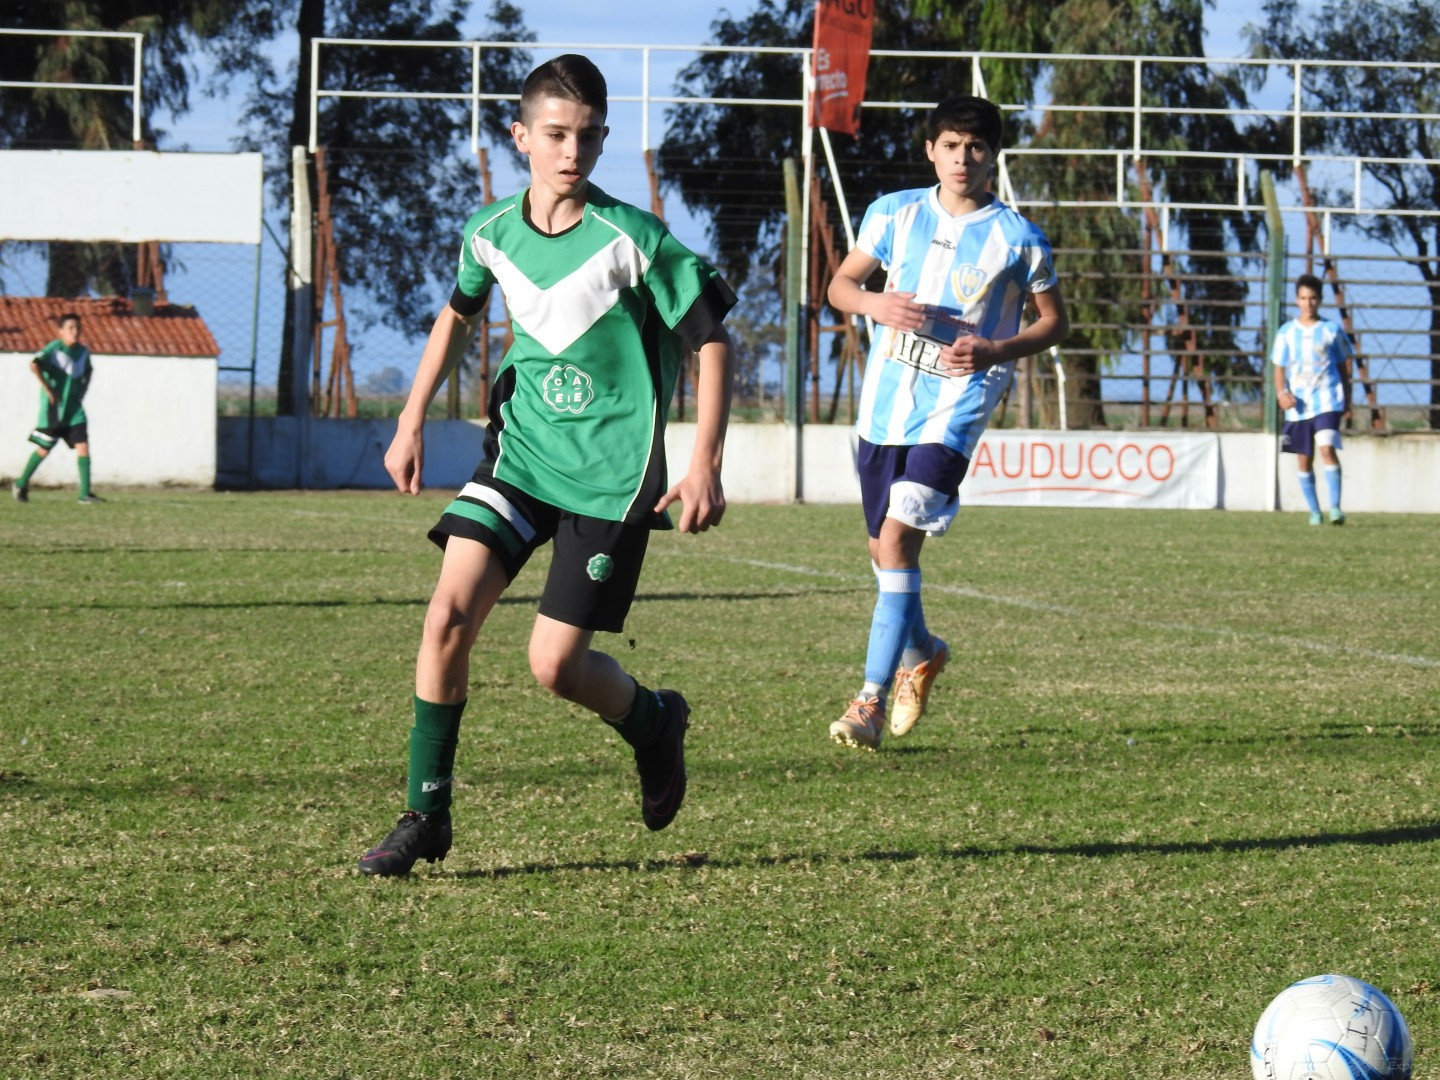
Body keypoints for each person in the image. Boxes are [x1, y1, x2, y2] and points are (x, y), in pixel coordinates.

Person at [358, 54, 737, 876]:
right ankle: (425, 814)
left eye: (589, 137)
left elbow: (712, 340)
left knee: (554, 666)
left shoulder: (634, 239)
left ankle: (655, 723)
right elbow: (456, 317)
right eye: (557, 134)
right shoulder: (489, 232)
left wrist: (704, 461)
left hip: (610, 478)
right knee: (446, 618)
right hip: (520, 458)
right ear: (520, 136)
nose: (573, 151)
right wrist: (411, 418)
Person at [825, 93, 1068, 751]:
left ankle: (869, 701)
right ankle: (923, 652)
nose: (963, 158)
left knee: (897, 540)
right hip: (884, 408)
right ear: (931, 150)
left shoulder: (1019, 238)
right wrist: (875, 305)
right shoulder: (893, 213)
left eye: (976, 147)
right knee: (883, 551)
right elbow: (840, 286)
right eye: (952, 146)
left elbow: (1054, 322)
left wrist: (995, 348)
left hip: (956, 408)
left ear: (993, 156)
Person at [1272, 272, 1353, 525]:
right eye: (1303, 298)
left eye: (1313, 298)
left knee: (1326, 448)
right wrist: (1281, 394)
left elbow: (1343, 366)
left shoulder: (1331, 330)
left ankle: (1335, 509)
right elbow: (1278, 367)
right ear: (1297, 300)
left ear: (1320, 300)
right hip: (1298, 404)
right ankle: (1315, 512)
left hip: (1328, 400)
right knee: (1304, 458)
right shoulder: (1286, 332)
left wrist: (1347, 399)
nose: (1308, 303)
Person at [12, 311, 103, 504]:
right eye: (70, 328)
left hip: (74, 410)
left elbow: (89, 371)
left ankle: (85, 495)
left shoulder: (83, 352)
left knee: (83, 447)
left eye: (78, 328)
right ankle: (21, 483)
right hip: (54, 410)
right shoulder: (54, 349)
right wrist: (47, 389)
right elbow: (34, 364)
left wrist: (83, 390)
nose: (75, 331)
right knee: (44, 449)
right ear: (60, 331)